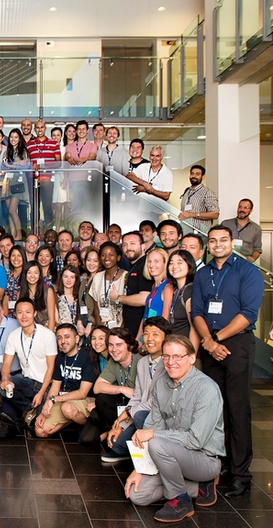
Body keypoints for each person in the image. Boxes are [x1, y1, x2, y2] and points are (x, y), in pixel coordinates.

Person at [192, 224, 265, 497]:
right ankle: (220, 466)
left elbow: (248, 313)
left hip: (237, 344)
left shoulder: (248, 271)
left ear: (231, 243)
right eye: (213, 240)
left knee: (237, 409)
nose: (218, 244)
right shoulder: (202, 274)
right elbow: (197, 311)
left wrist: (217, 339)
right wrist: (208, 342)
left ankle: (241, 475)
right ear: (208, 245)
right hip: (210, 345)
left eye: (223, 239)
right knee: (215, 410)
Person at [124, 335, 224, 523]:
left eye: (178, 356)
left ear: (192, 358)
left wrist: (154, 434)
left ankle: (181, 500)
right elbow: (153, 423)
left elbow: (195, 440)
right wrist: (140, 469)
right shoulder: (161, 383)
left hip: (203, 459)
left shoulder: (207, 389)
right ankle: (197, 487)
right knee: (138, 495)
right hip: (171, 456)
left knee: (156, 443)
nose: (171, 362)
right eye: (167, 356)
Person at [102, 316, 170, 463]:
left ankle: (149, 459)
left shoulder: (169, 363)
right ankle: (135, 450)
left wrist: (127, 413)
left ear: (166, 338)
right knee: (116, 445)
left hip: (161, 418)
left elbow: (156, 402)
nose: (150, 338)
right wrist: (120, 425)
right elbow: (137, 396)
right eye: (146, 333)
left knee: (140, 416)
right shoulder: (143, 362)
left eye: (155, 334)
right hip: (141, 414)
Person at [33, 323, 98, 438]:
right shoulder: (60, 357)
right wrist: (46, 407)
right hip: (65, 400)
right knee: (40, 431)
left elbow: (82, 393)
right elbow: (55, 387)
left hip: (86, 400)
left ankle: (89, 425)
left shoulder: (87, 356)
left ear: (77, 339)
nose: (63, 341)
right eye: (59, 338)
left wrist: (54, 399)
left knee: (67, 408)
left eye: (67, 337)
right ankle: (72, 420)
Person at [0, 298, 57, 420]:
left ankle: (33, 413)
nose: (24, 316)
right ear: (15, 314)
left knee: (39, 425)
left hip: (44, 383)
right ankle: (29, 409)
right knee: (3, 387)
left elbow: (51, 368)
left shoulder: (47, 335)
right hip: (26, 380)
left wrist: (41, 393)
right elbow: (6, 363)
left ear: (34, 313)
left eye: (28, 312)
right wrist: (5, 379)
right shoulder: (13, 336)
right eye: (20, 312)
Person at [80, 327, 139, 445]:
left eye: (119, 345)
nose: (114, 349)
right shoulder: (114, 361)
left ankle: (118, 431)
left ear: (130, 346)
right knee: (86, 439)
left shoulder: (140, 362)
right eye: (111, 345)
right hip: (121, 404)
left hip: (136, 408)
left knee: (115, 442)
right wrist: (122, 389)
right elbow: (97, 388)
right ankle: (113, 428)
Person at [118, 231, 155, 336]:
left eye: (132, 243)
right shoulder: (134, 266)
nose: (128, 247)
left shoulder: (145, 266)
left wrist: (119, 298)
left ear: (143, 246)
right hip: (131, 329)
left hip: (142, 332)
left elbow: (144, 298)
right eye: (125, 244)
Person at [27, 119, 61, 230]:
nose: (40, 129)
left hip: (47, 178)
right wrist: (31, 166)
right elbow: (26, 162)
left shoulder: (54, 143)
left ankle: (49, 231)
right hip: (33, 179)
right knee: (34, 206)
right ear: (34, 129)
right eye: (37, 127)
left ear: (45, 129)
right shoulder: (29, 144)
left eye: (42, 127)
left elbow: (58, 163)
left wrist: (44, 167)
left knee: (47, 206)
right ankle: (34, 231)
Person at [89, 242, 126, 329]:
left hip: (120, 329)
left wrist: (121, 329)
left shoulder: (126, 277)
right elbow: (96, 304)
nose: (107, 258)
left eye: (111, 255)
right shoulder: (97, 277)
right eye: (103, 255)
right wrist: (100, 327)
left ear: (118, 257)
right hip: (103, 328)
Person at [177, 164, 219, 235]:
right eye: (192, 174)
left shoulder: (207, 192)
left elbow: (215, 214)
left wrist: (193, 214)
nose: (194, 176)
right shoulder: (187, 191)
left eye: (197, 174)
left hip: (201, 234)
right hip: (186, 232)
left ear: (203, 177)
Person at [138, 248, 169, 339]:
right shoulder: (153, 286)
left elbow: (165, 320)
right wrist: (139, 338)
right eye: (149, 261)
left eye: (157, 261)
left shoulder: (167, 287)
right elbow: (146, 314)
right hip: (147, 333)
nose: (152, 265)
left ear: (165, 263)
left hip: (157, 337)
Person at [220, 198, 263, 263]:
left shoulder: (256, 228)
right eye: (240, 207)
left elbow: (257, 249)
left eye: (245, 208)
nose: (242, 210)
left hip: (245, 263)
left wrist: (253, 258)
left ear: (251, 210)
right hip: (226, 261)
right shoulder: (225, 224)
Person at [19, 261, 57, 331]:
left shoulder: (48, 291)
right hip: (27, 330)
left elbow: (51, 317)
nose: (32, 276)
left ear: (40, 275)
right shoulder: (20, 293)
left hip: (44, 329)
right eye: (29, 272)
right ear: (25, 274)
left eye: (36, 273)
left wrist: (49, 336)